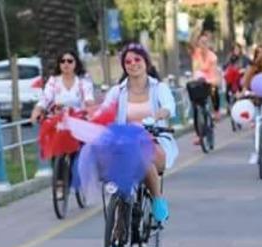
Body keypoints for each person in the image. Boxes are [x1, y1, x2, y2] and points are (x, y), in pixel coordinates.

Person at [91, 43, 178, 223]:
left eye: (137, 59)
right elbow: (105, 109)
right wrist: (94, 116)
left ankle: (157, 199)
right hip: (124, 143)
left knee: (142, 157)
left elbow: (169, 106)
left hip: (154, 141)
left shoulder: (159, 88)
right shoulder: (118, 91)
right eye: (128, 61)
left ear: (146, 62)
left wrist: (158, 115)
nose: (133, 64)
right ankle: (117, 236)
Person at [29, 50, 95, 123]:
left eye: (70, 61)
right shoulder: (53, 80)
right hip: (58, 123)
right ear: (59, 64)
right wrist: (38, 109)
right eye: (62, 61)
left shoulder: (83, 79)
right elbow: (46, 98)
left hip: (80, 122)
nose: (66, 63)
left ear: (76, 63)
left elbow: (88, 97)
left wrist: (91, 107)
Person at [190, 32, 222, 120]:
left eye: (205, 42)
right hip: (200, 78)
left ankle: (216, 110)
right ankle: (198, 123)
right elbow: (195, 69)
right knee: (194, 92)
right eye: (201, 42)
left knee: (213, 90)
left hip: (210, 77)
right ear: (199, 44)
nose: (203, 45)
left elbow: (214, 72)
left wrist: (213, 81)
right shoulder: (196, 53)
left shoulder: (212, 56)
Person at [223, 42, 252, 109]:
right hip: (232, 79)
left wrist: (244, 70)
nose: (236, 51)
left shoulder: (244, 58)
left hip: (242, 77)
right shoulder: (230, 58)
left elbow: (250, 66)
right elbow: (225, 67)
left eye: (238, 49)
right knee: (229, 84)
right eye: (235, 49)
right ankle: (230, 102)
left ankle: (240, 97)